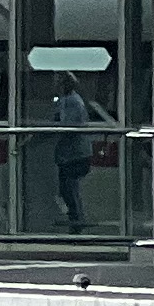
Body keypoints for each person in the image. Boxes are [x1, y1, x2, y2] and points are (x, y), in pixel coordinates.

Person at [47, 73, 104, 237]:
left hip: (75, 154)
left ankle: (76, 221)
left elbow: (68, 126)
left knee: (69, 189)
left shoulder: (72, 101)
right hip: (69, 153)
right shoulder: (65, 100)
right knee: (67, 189)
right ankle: (75, 219)